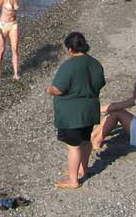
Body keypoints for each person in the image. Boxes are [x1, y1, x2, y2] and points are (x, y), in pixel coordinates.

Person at [45, 32, 106, 189]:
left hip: (72, 113)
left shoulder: (69, 65)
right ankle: (82, 169)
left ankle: (73, 180)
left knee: (73, 146)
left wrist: (49, 90)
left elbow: (58, 89)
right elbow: (100, 83)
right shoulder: (95, 63)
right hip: (90, 110)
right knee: (85, 141)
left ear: (70, 49)